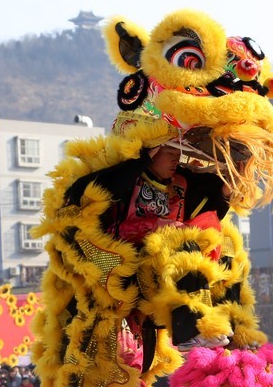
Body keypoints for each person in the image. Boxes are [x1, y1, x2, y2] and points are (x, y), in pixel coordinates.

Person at [63, 141, 234, 352]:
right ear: (152, 151)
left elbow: (206, 211)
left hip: (164, 268)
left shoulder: (180, 182)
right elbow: (82, 195)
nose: (176, 158)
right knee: (182, 243)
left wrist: (226, 192)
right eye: (170, 151)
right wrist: (156, 224)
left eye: (179, 152)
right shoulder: (125, 179)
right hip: (124, 269)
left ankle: (231, 330)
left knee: (225, 248)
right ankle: (190, 332)